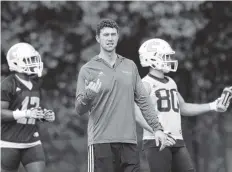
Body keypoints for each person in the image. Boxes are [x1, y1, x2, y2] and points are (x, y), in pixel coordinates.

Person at [75, 19, 175, 172]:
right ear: (98, 38)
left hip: (129, 142)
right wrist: (89, 95)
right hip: (101, 143)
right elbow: (79, 109)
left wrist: (157, 128)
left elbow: (143, 100)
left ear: (118, 37)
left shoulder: (130, 66)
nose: (110, 38)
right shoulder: (88, 69)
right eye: (106, 35)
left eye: (113, 35)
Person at [134, 38, 232, 172]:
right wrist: (156, 131)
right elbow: (135, 112)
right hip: (157, 141)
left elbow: (183, 107)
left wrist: (213, 105)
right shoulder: (145, 84)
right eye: (165, 56)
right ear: (152, 58)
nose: (169, 59)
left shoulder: (171, 82)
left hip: (177, 140)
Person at [1, 42, 55, 172]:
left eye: (34, 59)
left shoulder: (35, 84)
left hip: (32, 141)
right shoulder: (8, 84)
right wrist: (25, 113)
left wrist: (43, 116)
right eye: (28, 60)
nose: (33, 63)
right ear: (15, 63)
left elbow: (33, 112)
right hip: (9, 142)